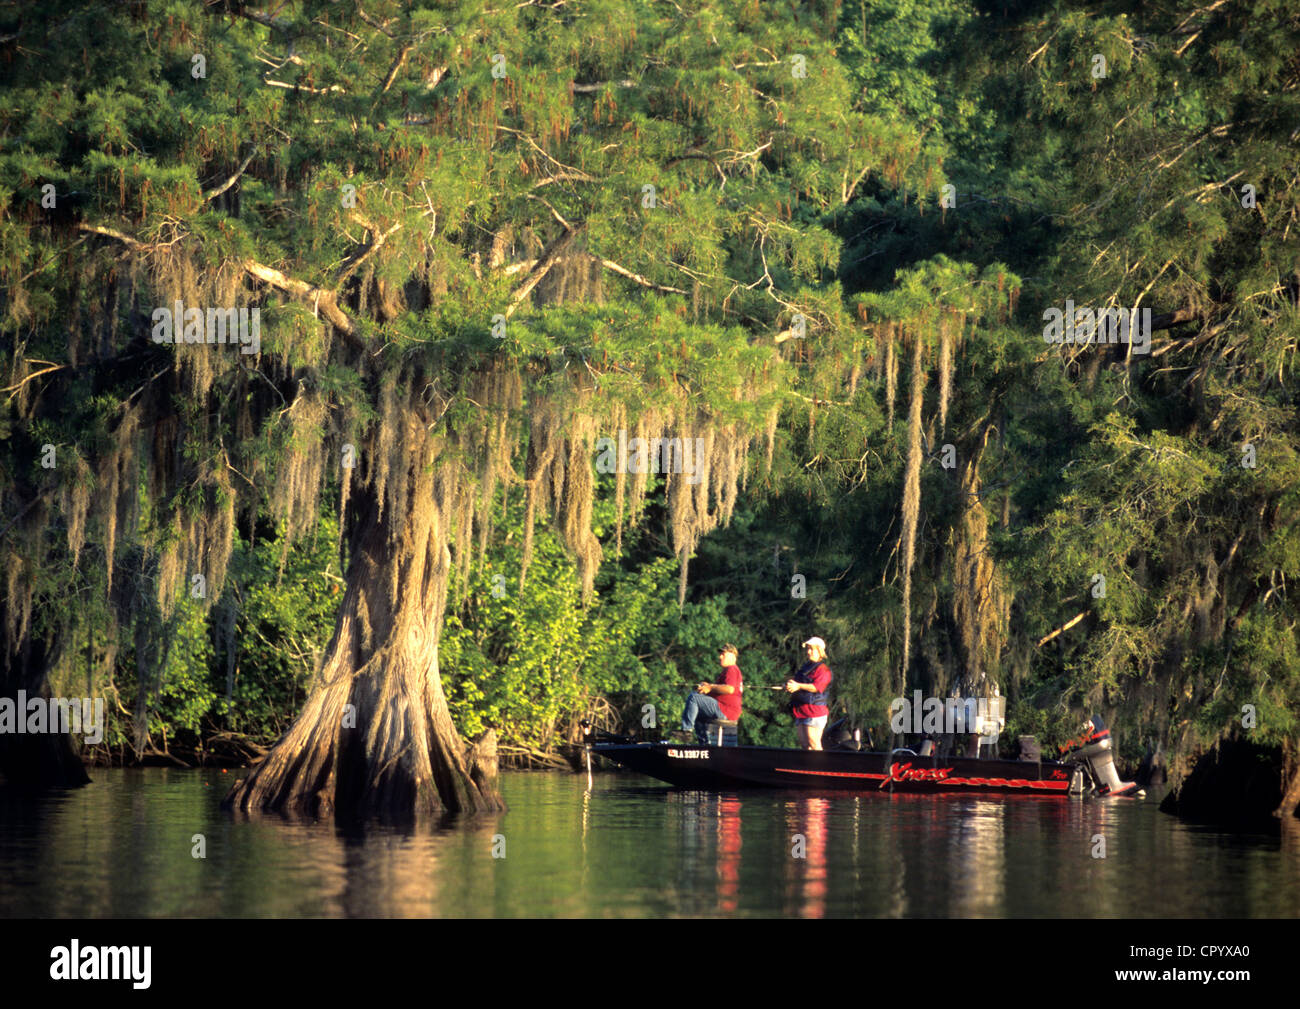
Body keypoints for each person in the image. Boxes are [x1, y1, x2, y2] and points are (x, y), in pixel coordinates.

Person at [680, 644, 744, 745]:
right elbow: (721, 691)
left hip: (726, 710)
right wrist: (708, 687)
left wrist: (710, 687)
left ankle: (686, 731)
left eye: (723, 654)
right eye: (720, 654)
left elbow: (729, 689)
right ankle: (705, 745)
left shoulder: (732, 669)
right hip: (726, 710)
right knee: (697, 712)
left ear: (732, 655)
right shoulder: (730, 671)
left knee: (694, 698)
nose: (720, 657)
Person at [786, 637, 832, 751]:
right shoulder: (805, 668)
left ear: (820, 651)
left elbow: (817, 687)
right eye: (808, 649)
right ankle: (809, 768)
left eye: (812, 649)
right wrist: (789, 686)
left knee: (814, 744)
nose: (808, 652)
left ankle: (821, 768)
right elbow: (797, 683)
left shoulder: (823, 670)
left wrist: (798, 686)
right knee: (805, 745)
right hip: (801, 711)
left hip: (815, 712)